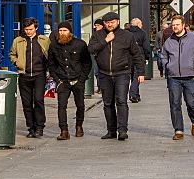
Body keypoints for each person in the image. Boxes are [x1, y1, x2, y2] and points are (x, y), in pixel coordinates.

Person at [88, 12, 145, 140]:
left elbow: (137, 54)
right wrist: (105, 40)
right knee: (108, 103)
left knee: (121, 101)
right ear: (104, 23)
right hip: (104, 73)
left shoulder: (127, 35)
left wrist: (141, 73)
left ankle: (123, 130)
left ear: (118, 22)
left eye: (112, 22)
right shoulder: (98, 35)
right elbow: (91, 49)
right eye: (107, 22)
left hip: (122, 73)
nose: (110, 24)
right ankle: (111, 130)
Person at [159, 14, 194, 140]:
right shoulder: (169, 41)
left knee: (191, 102)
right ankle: (178, 130)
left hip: (189, 76)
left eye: (177, 25)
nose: (175, 27)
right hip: (173, 76)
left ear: (183, 25)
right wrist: (167, 65)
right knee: (175, 104)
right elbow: (163, 55)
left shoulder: (193, 37)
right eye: (173, 25)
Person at [48, 21, 91, 140]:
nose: (62, 33)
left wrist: (82, 78)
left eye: (64, 30)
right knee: (61, 106)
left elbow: (87, 63)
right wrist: (57, 79)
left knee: (80, 105)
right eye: (60, 31)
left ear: (70, 32)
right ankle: (64, 130)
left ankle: (79, 126)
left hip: (77, 79)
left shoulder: (80, 44)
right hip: (62, 80)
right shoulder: (53, 45)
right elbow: (51, 64)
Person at [9, 17, 50, 138]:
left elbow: (50, 54)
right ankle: (31, 127)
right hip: (24, 74)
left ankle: (40, 126)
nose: (28, 32)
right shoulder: (18, 41)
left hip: (39, 74)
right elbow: (12, 54)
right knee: (26, 103)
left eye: (31, 29)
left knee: (38, 100)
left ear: (36, 28)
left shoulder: (43, 40)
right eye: (26, 29)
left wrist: (49, 70)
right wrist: (17, 62)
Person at [127, 18, 152, 102]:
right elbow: (146, 46)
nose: (142, 25)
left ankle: (136, 95)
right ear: (138, 24)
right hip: (139, 56)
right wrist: (147, 57)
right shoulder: (142, 33)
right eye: (141, 23)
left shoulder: (127, 33)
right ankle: (132, 93)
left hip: (128, 57)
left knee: (133, 76)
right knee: (137, 75)